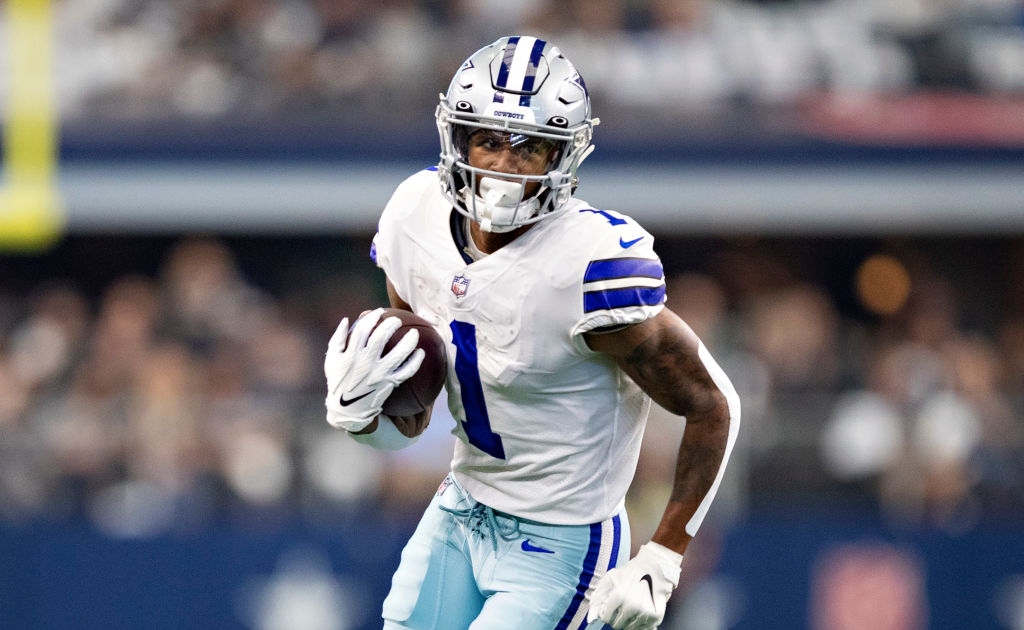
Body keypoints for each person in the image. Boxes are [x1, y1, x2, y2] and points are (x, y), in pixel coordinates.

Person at [323, 35, 741, 630]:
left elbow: (713, 404)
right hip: (460, 509)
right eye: (489, 140)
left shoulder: (592, 262)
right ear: (457, 138)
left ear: (563, 158)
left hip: (562, 542)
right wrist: (367, 417)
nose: (503, 165)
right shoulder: (414, 216)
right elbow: (420, 408)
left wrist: (664, 554)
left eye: (529, 147)